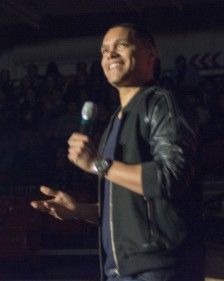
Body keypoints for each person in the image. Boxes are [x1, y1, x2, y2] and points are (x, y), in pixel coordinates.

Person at [31, 23, 204, 281]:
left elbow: (171, 177)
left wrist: (98, 164)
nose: (109, 55)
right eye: (104, 50)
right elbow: (126, 206)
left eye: (121, 46)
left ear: (150, 55)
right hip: (120, 272)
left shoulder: (161, 104)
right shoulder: (115, 121)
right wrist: (79, 210)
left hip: (159, 268)